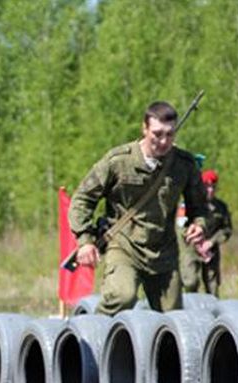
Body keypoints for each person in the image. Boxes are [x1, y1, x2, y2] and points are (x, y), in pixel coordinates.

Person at [68, 100, 211, 316]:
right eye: (157, 134)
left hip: (164, 252)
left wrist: (199, 225)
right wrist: (84, 242)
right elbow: (82, 199)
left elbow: (199, 207)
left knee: (172, 318)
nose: (163, 141)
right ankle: (93, 336)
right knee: (122, 296)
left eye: (170, 134)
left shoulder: (184, 164)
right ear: (144, 129)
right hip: (124, 246)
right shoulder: (118, 161)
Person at [179, 169, 232, 296]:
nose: (210, 190)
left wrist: (211, 242)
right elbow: (180, 226)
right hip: (190, 249)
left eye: (213, 187)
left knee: (212, 286)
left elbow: (227, 229)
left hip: (210, 251)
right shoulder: (186, 204)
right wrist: (196, 241)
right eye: (207, 187)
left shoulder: (221, 207)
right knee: (190, 283)